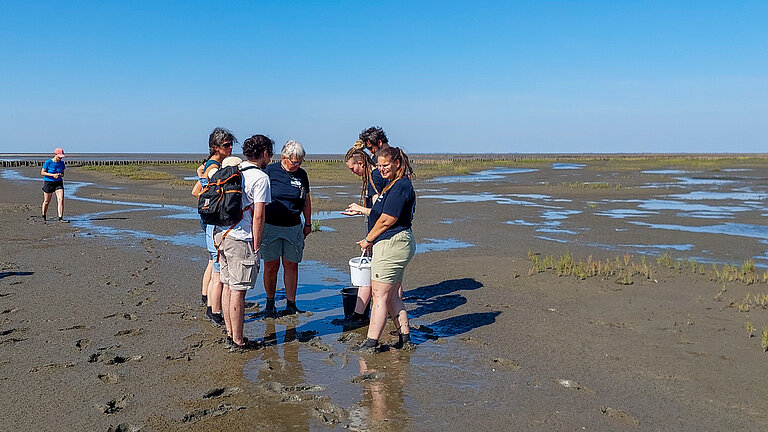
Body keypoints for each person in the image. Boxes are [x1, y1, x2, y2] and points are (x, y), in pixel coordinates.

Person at [354, 147, 416, 352]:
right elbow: (380, 213)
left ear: (397, 163)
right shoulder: (394, 185)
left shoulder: (400, 187)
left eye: (385, 165)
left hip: (391, 244)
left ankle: (371, 342)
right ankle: (404, 337)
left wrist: (367, 240)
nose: (381, 169)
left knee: (378, 296)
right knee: (392, 295)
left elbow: (388, 219)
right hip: (396, 243)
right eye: (379, 166)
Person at [215, 134, 273, 349]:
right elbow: (259, 216)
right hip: (241, 239)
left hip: (223, 235)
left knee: (228, 287)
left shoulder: (234, 171)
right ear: (265, 153)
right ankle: (238, 341)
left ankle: (231, 334)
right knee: (238, 291)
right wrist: (256, 245)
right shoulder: (260, 178)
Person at [261, 140, 312, 317]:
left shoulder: (302, 175)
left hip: (293, 226)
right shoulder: (270, 171)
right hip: (271, 226)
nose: (297, 165)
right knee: (271, 265)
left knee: (291, 265)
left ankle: (291, 304)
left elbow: (306, 200)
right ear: (284, 157)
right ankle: (270, 302)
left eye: (300, 161)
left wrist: (308, 223)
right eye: (294, 161)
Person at [341, 140, 388, 323]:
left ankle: (363, 315)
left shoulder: (375, 178)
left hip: (382, 234)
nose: (353, 173)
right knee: (377, 276)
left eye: (353, 169)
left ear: (361, 163)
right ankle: (360, 314)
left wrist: (361, 210)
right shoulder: (373, 177)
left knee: (379, 278)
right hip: (377, 233)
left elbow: (381, 212)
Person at [191, 127, 234, 324]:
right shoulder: (213, 166)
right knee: (215, 263)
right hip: (211, 218)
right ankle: (211, 305)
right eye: (226, 145)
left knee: (211, 260)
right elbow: (196, 191)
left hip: (209, 218)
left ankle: (206, 296)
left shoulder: (210, 164)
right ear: (216, 147)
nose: (231, 147)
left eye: (232, 143)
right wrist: (215, 200)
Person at [41, 148, 68, 223]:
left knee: (61, 200)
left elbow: (63, 174)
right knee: (47, 201)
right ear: (55, 154)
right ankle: (44, 215)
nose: (60, 158)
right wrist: (52, 175)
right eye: (59, 156)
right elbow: (42, 172)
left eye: (61, 156)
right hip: (49, 182)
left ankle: (60, 218)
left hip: (58, 182)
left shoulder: (62, 163)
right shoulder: (48, 162)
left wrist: (60, 174)